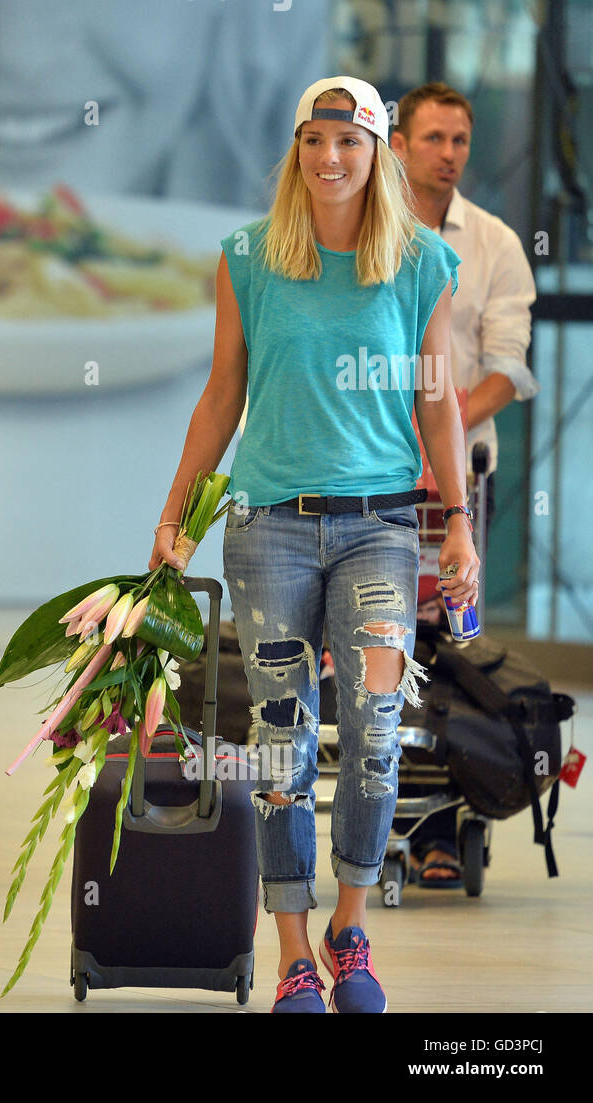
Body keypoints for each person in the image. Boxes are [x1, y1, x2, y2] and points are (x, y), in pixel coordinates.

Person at [149, 77, 480, 1013]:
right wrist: (176, 514)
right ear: (296, 150)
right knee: (281, 742)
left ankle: (351, 924)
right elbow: (222, 396)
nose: (329, 158)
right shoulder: (249, 258)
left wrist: (456, 516)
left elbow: (438, 401)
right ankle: (295, 948)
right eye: (313, 141)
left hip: (381, 525)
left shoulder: (418, 263)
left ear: (378, 152)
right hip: (270, 528)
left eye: (348, 141)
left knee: (375, 735)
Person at [391, 81, 538, 888]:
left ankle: (438, 830)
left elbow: (508, 367)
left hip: (453, 485)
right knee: (364, 641)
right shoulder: (364, 233)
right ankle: (352, 814)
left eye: (461, 140)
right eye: (435, 138)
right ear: (401, 144)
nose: (449, 153)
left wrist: (433, 429)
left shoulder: (494, 243)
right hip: (369, 469)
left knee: (448, 647)